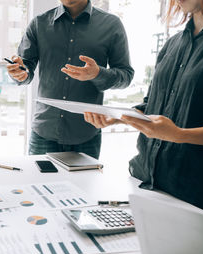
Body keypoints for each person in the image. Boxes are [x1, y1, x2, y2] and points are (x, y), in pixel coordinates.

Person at [84, 0, 203, 215]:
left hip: (197, 197)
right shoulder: (172, 44)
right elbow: (153, 105)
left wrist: (179, 134)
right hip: (145, 183)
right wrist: (119, 117)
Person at [7, 0, 134, 159]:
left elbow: (126, 75)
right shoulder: (39, 23)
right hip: (44, 132)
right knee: (36, 184)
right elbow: (25, 69)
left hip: (86, 135)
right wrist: (20, 73)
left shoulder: (111, 24)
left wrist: (97, 74)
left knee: (83, 185)